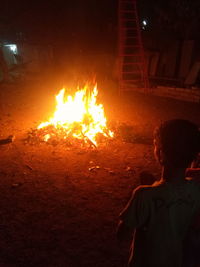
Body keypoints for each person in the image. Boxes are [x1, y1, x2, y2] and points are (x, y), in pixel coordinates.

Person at [117, 119, 200, 267]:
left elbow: (121, 234)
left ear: (160, 153)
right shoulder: (196, 191)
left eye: (155, 144)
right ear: (194, 156)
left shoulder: (144, 195)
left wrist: (132, 198)